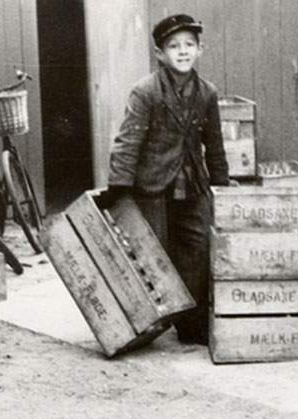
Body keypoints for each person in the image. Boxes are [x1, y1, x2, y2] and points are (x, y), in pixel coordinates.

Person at [103, 13, 229, 345]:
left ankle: (191, 324)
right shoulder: (145, 92)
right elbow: (128, 141)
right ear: (160, 54)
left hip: (192, 182)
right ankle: (147, 323)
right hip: (153, 184)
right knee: (151, 253)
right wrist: (119, 187)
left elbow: (214, 144)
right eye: (174, 46)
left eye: (190, 44)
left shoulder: (207, 93)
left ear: (200, 49)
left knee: (197, 248)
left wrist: (221, 185)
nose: (183, 51)